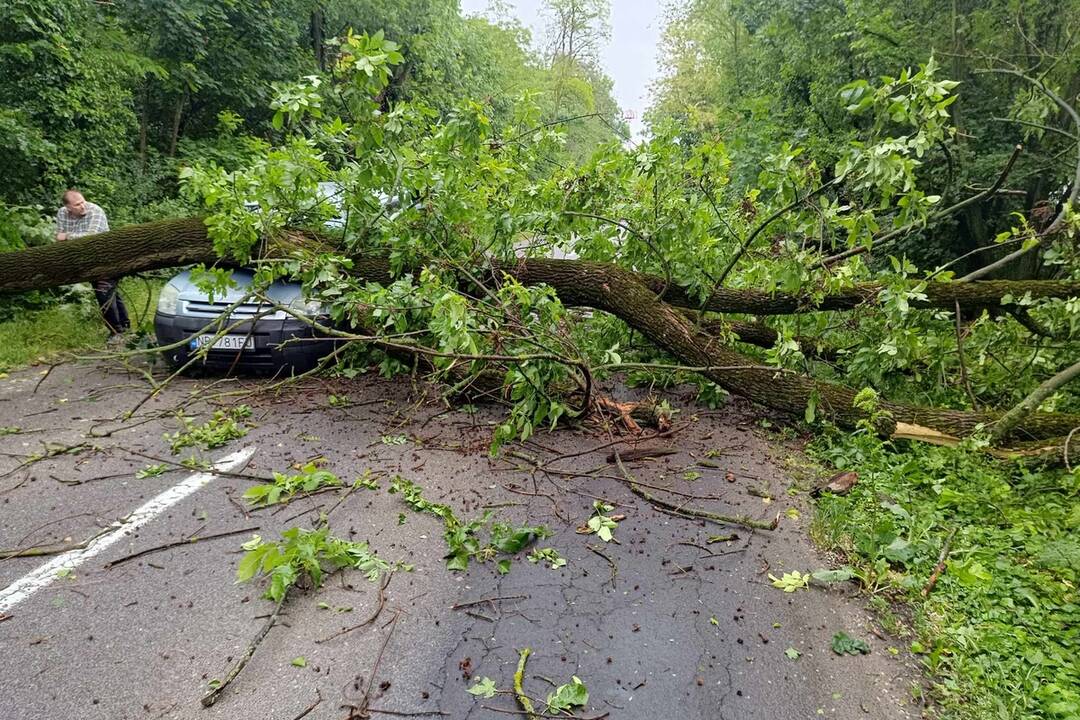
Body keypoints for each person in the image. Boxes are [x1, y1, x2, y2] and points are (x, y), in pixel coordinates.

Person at [55, 189, 129, 337]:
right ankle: (125, 326)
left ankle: (116, 332)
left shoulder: (95, 211)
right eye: (77, 204)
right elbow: (57, 237)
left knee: (104, 293)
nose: (83, 206)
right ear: (68, 207)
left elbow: (90, 237)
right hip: (87, 261)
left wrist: (68, 236)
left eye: (83, 201)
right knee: (110, 293)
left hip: (107, 259)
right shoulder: (62, 213)